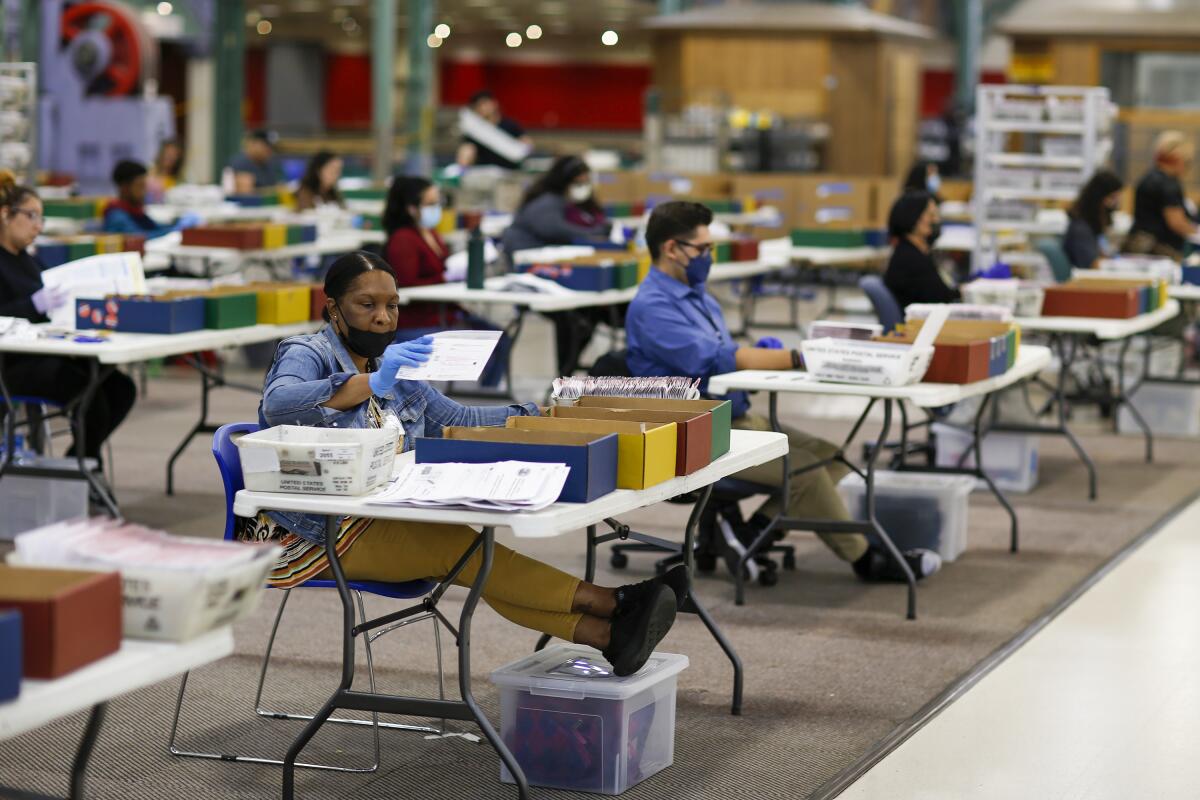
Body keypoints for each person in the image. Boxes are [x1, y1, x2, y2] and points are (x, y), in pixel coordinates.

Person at [244, 251, 681, 676]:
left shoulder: (396, 366)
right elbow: (279, 404)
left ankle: (607, 635)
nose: (383, 317)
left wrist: (538, 415)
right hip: (306, 534)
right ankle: (613, 603)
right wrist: (370, 383)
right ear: (333, 309)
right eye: (367, 305)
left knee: (473, 555)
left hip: (376, 512)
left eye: (392, 305)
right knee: (463, 552)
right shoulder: (306, 351)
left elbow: (458, 420)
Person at [624, 201, 941, 584]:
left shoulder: (699, 295)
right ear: (672, 249)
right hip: (695, 434)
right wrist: (796, 357)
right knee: (805, 471)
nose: (709, 257)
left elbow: (729, 354)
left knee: (831, 456)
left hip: (733, 416)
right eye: (703, 249)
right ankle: (866, 559)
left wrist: (765, 350)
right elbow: (715, 359)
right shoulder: (653, 306)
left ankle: (751, 534)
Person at [0, 173, 136, 466]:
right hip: (12, 362)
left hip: (49, 350)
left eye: (42, 219)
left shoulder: (28, 259)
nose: (38, 226)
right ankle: (85, 472)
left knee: (122, 389)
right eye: (32, 216)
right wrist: (32, 305)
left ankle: (79, 463)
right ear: (5, 215)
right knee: (92, 398)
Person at [382, 175, 509, 387]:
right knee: (494, 340)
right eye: (430, 204)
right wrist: (446, 277)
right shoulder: (403, 239)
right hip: (419, 319)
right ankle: (485, 396)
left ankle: (488, 393)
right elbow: (405, 285)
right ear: (411, 208)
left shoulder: (430, 233)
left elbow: (440, 269)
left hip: (443, 311)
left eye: (438, 202)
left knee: (500, 337)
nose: (437, 208)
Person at [502, 155, 614, 375]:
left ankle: (566, 372)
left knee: (586, 315)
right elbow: (556, 231)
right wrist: (596, 233)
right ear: (566, 180)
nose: (583, 187)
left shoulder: (566, 203)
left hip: (548, 271)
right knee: (574, 320)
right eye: (578, 182)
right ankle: (564, 375)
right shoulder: (546, 203)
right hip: (531, 275)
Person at [1124, 131, 1199, 260]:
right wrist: (1196, 232)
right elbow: (1176, 222)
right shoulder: (1168, 184)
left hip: (1138, 243)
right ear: (1178, 160)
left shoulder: (1148, 177)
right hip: (1157, 248)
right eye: (1187, 163)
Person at [883, 191, 959, 310]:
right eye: (931, 215)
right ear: (913, 218)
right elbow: (941, 298)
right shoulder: (910, 260)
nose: (936, 220)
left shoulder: (913, 252)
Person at [101, 160, 185, 239]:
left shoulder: (134, 210)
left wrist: (177, 224)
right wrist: (175, 229)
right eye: (140, 186)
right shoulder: (117, 216)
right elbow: (140, 238)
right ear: (124, 188)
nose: (145, 191)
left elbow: (154, 227)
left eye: (145, 186)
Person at [1063, 169, 1125, 270]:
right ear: (1099, 198)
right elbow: (1092, 264)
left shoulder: (1088, 225)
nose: (1115, 204)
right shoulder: (1081, 229)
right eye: (1113, 197)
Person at [456, 90, 532, 170]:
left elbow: (526, 142)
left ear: (494, 103)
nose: (482, 108)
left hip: (509, 169)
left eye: (485, 103)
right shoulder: (474, 131)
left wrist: (525, 146)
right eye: (478, 106)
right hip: (484, 172)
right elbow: (466, 151)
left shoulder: (510, 125)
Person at [147, 138, 184, 203]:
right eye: (168, 153)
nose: (170, 157)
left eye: (174, 154)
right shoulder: (149, 171)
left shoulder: (181, 177)